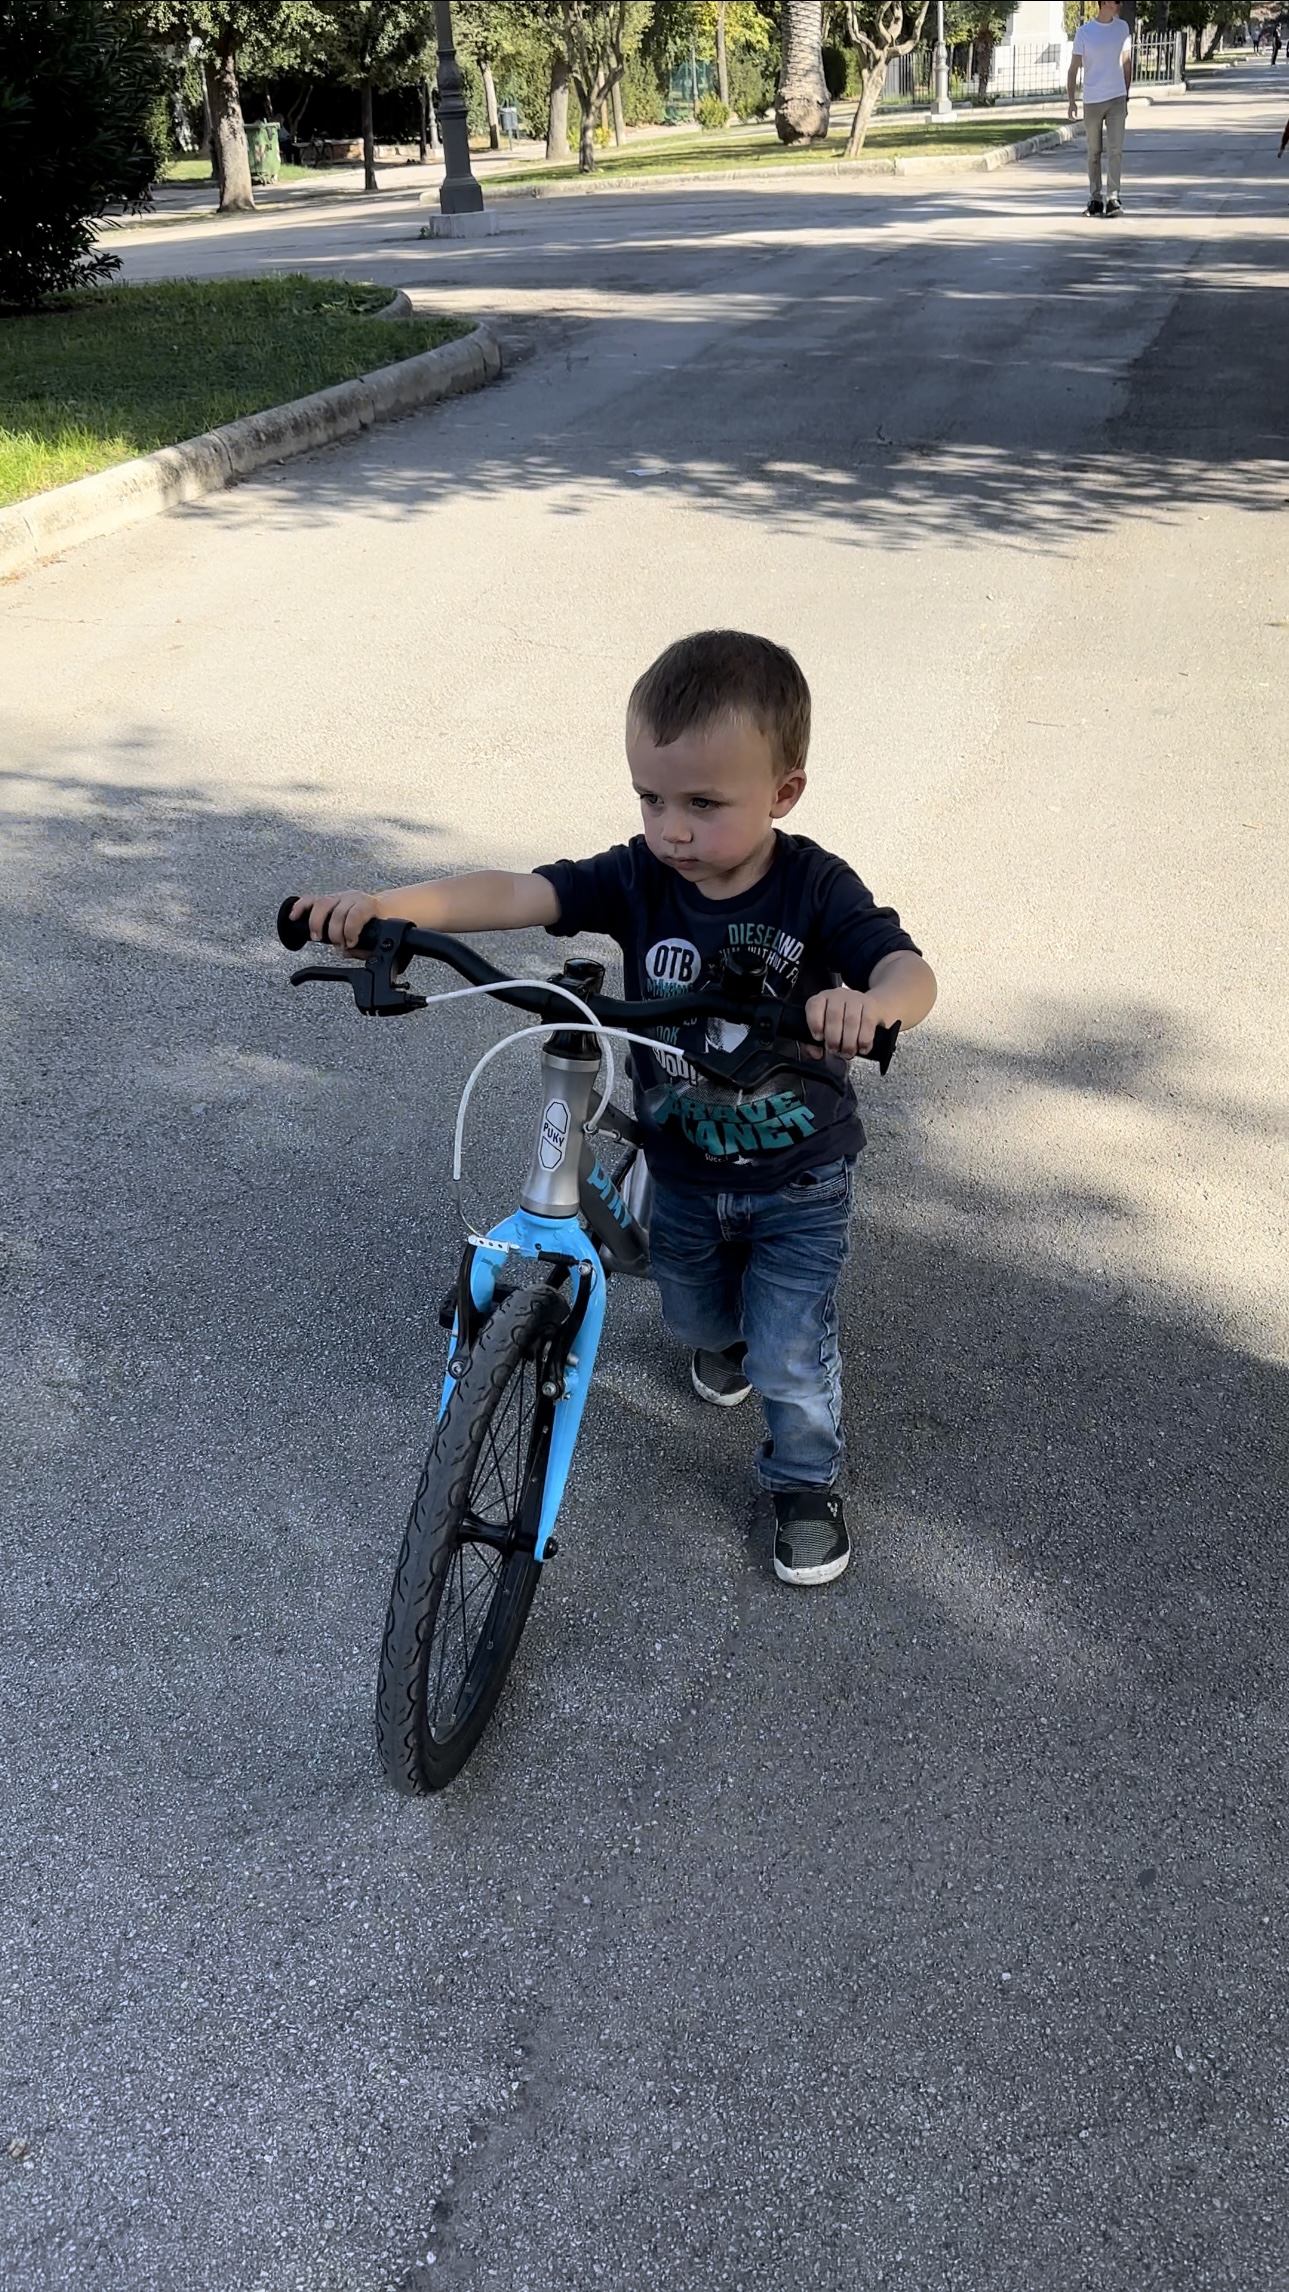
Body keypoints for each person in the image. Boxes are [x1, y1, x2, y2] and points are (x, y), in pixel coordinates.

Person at [291, 631, 936, 1591]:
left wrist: (870, 1004)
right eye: (650, 797)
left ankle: (803, 1482)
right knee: (694, 1315)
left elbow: (905, 969)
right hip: (679, 1169)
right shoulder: (640, 877)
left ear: (783, 794)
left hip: (795, 1178)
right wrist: (390, 906)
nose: (670, 828)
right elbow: (520, 890)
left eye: (703, 805)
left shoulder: (814, 886)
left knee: (790, 1353)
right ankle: (727, 1342)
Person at [1068, 0, 1134, 219]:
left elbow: (1126, 62)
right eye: (1116, 1)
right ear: (1104, 3)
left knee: (1116, 150)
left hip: (1116, 98)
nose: (1119, 5)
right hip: (1093, 100)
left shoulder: (1122, 28)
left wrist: (1126, 94)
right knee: (1094, 151)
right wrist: (1071, 101)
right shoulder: (1085, 32)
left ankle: (1113, 197)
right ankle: (1095, 198)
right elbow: (1074, 68)